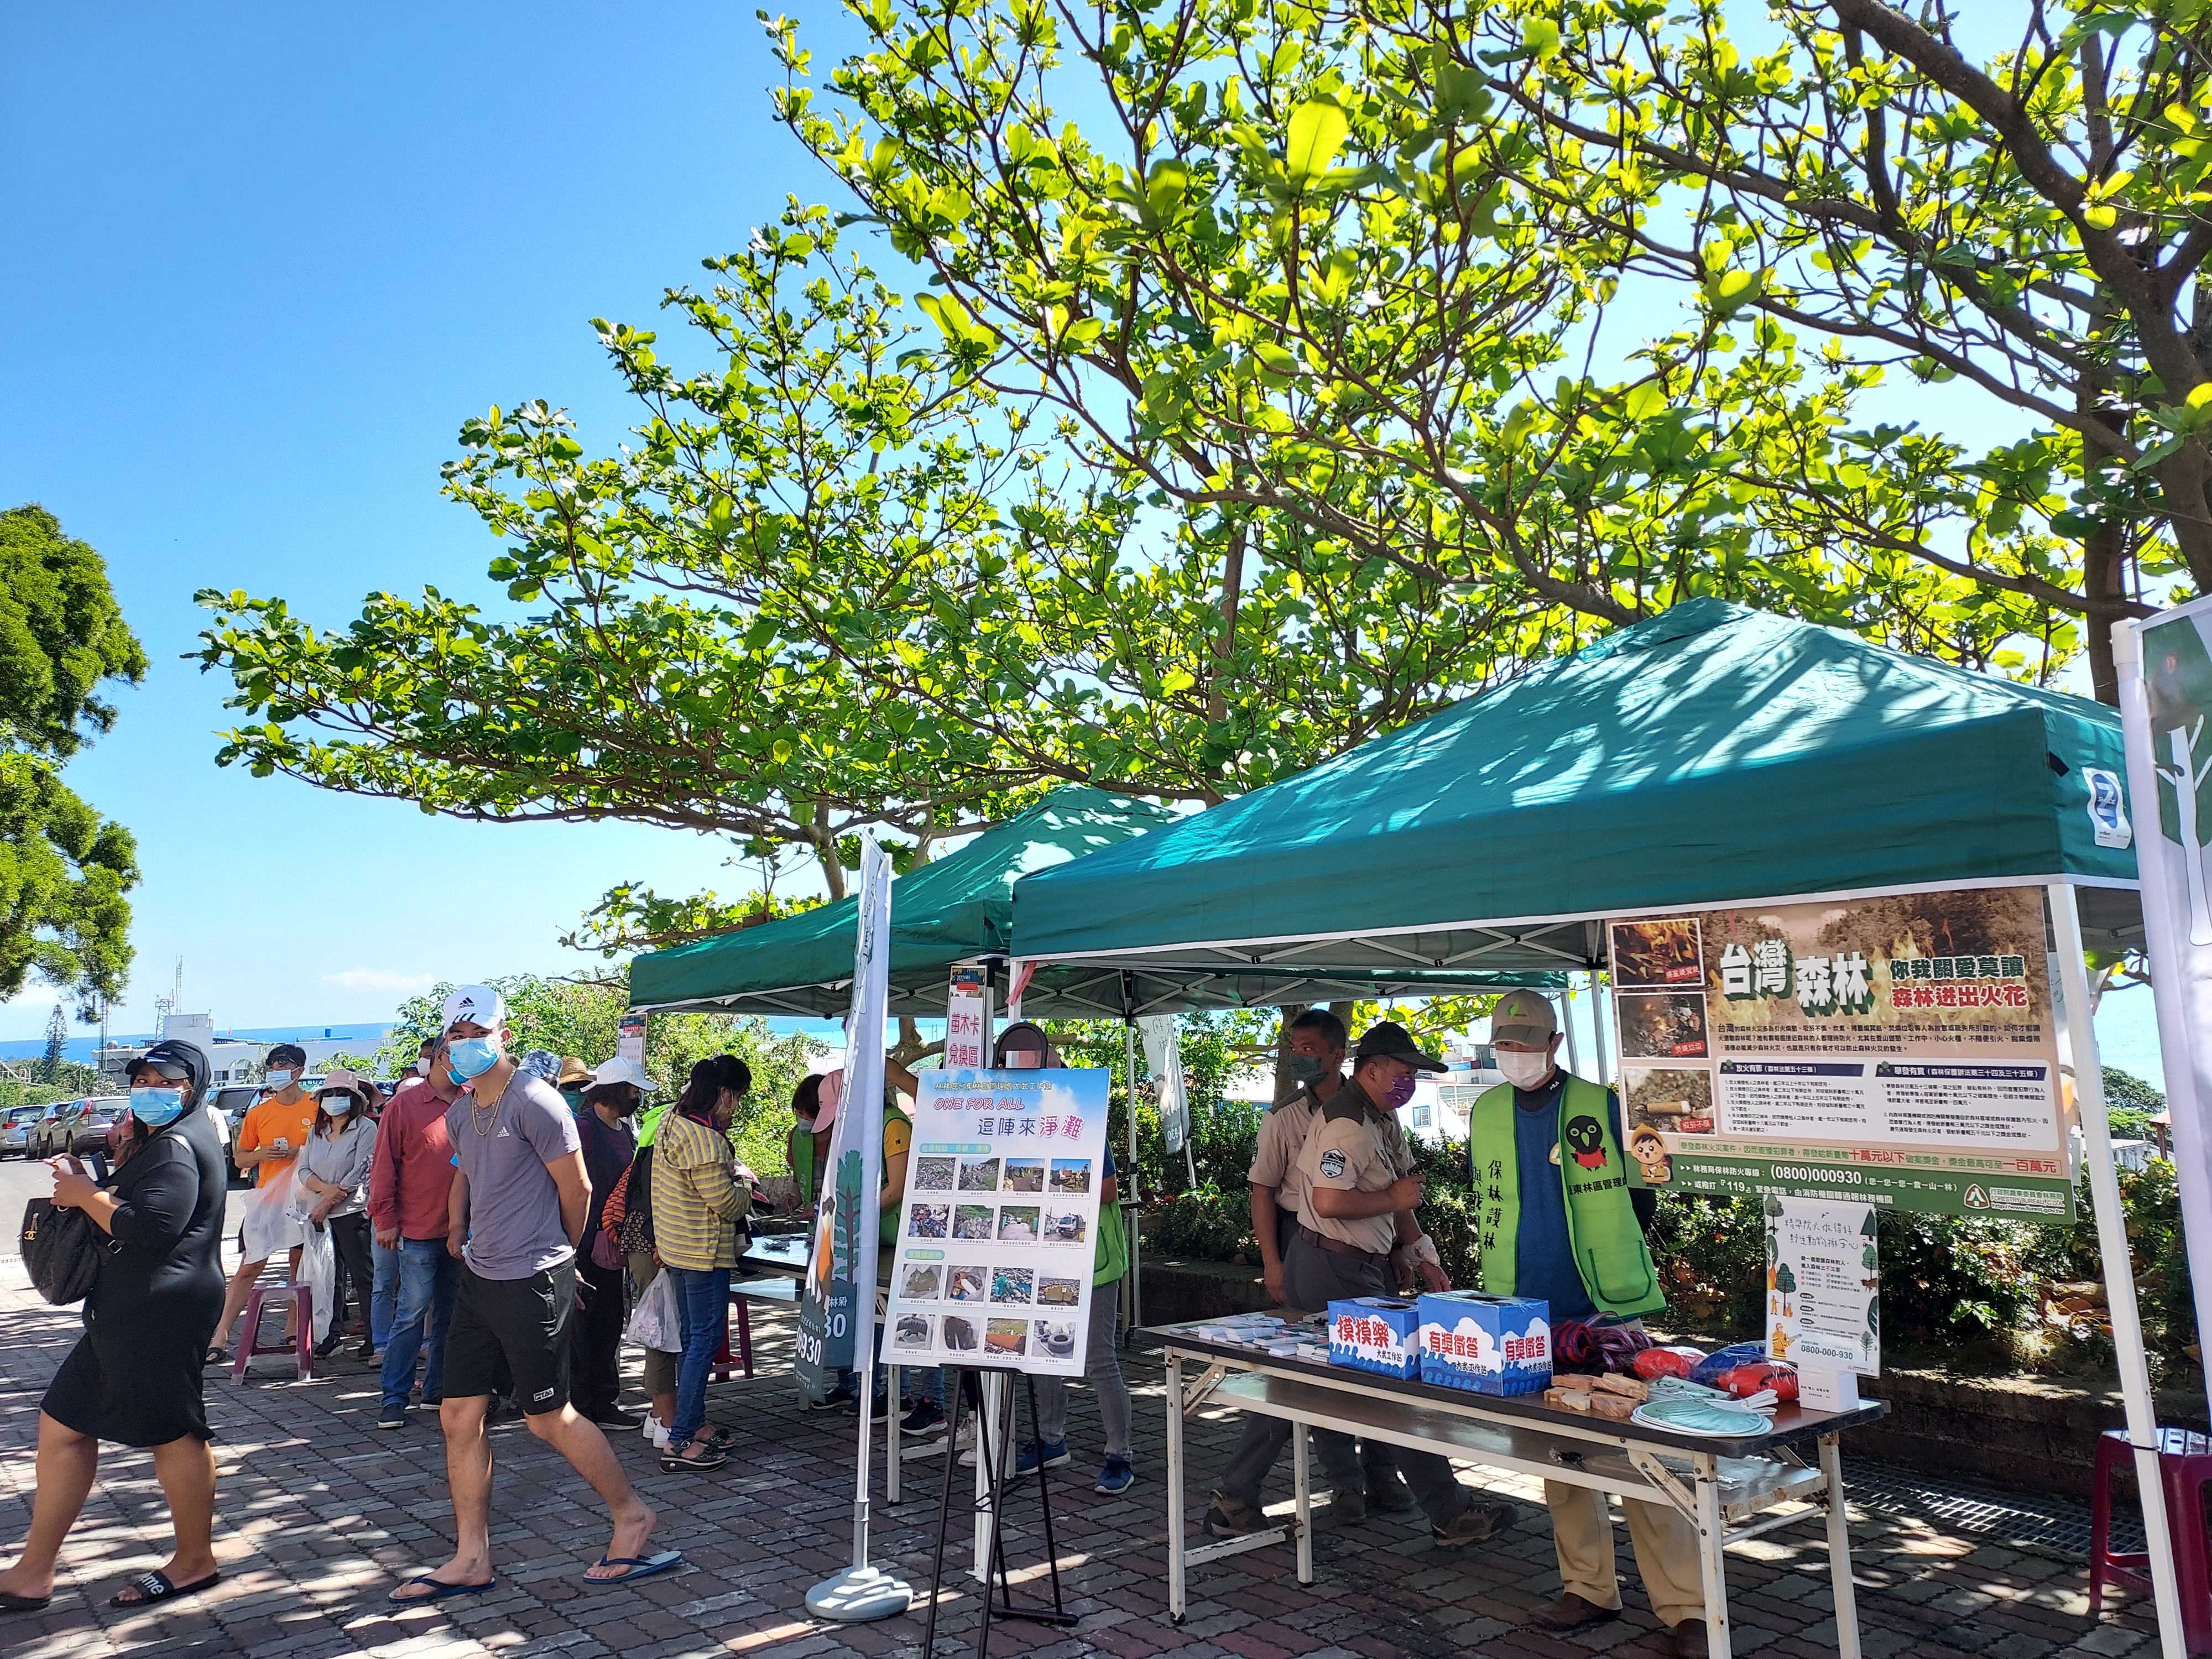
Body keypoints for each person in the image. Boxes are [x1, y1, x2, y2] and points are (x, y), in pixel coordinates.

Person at [389, 985, 671, 1601]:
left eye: (478, 1034)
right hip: (480, 1278)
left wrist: (561, 1259)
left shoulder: (537, 1103)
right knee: (457, 1414)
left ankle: (632, 1515)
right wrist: (459, 1229)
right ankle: (471, 1558)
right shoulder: (462, 1112)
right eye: (457, 1037)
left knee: (547, 1418)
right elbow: (469, 1177)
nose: (467, 1046)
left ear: (504, 1037)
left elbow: (579, 1191)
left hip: (534, 1279)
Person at [1475, 991, 1704, 1658]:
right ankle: (1586, 1588)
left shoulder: (1600, 1106)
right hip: (1522, 1314)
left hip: (1604, 1312)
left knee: (1642, 1458)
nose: (1515, 1056)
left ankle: (1687, 1608)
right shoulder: (1486, 1111)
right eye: (1505, 1046)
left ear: (1554, 1045)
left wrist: (1609, 1259)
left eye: (1527, 1045)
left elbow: (1644, 1194)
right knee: (1563, 1456)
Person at [1233, 1021, 1516, 1550]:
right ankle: (1449, 1511)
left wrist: (1421, 1256)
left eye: (1413, 1073)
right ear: (1370, 1068)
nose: (1409, 1081)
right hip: (1331, 1266)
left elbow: (1398, 1195)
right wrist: (1393, 1204)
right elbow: (1330, 1201)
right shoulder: (1347, 1124)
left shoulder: (1377, 1118)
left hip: (1357, 1264)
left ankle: (1235, 1496)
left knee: (1304, 1384)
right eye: (1402, 1071)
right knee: (1386, 1388)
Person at [0, 1039, 227, 1613]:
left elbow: (152, 1227)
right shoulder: (168, 1137)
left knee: (174, 1433)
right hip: (127, 1312)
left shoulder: (176, 1144)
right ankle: (33, 1571)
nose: (151, 1091)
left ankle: (194, 1561)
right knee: (64, 1424)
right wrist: (91, 1181)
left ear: (193, 1086)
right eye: (143, 1081)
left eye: (167, 1082)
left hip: (159, 1312)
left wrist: (85, 1195)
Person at [1206, 1008, 1352, 1533]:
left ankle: (1360, 1483)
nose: (1299, 1057)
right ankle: (1246, 1490)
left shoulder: (1369, 1110)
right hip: (1303, 1242)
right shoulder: (1284, 1117)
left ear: (1338, 1055)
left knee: (1353, 1368)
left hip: (1361, 1250)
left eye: (1310, 1048)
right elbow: (1263, 1191)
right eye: (1294, 1047)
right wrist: (1272, 1261)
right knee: (1305, 1367)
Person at [1011, 1024, 1136, 1492]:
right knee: (1044, 1351)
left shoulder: (1081, 1123)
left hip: (1094, 1261)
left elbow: (1107, 1189)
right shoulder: (1021, 1127)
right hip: (1045, 1258)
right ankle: (1050, 1441)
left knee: (1098, 1358)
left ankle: (1120, 1456)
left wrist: (1043, 1183)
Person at [651, 1055, 752, 1470]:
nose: (736, 1105)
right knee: (703, 1343)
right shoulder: (705, 1140)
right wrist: (745, 1186)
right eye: (737, 1096)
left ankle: (693, 1424)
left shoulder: (671, 1121)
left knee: (692, 1341)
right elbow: (727, 1204)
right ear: (724, 1093)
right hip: (704, 1254)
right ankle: (679, 1441)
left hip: (676, 1249)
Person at [368, 1034, 463, 1427]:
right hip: (417, 1230)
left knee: (450, 1315)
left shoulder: (474, 1101)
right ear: (440, 1057)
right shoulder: (403, 1106)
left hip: (463, 1233)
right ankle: (394, 1396)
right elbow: (383, 1167)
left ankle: (436, 1389)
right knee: (411, 1313)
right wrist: (385, 1220)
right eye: (458, 1053)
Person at [204, 1044, 317, 1365]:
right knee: (250, 1266)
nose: (277, 1070)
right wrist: (261, 1154)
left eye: (285, 1065)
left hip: (306, 1199)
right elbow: (240, 1158)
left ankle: (293, 1330)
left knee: (299, 1267)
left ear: (300, 1071)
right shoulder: (258, 1113)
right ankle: (220, 1334)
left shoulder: (316, 1106)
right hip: (267, 1199)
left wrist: (298, 1153)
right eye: (273, 1065)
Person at [570, 1056, 650, 1428]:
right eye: (633, 1091)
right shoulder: (584, 1129)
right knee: (583, 1326)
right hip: (582, 1243)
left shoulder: (625, 1131)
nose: (637, 1098)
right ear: (617, 1091)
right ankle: (582, 1405)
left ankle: (602, 1401)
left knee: (608, 1323)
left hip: (612, 1243)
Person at [298, 1068, 379, 1355]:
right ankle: (331, 1334)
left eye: (341, 1094)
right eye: (329, 1094)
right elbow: (303, 1169)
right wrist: (323, 1191)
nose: (334, 1099)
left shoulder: (366, 1129)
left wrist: (329, 1200)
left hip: (352, 1213)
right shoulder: (316, 1132)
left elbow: (360, 1171)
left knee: (363, 1276)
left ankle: (375, 1336)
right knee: (329, 1277)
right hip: (320, 1213)